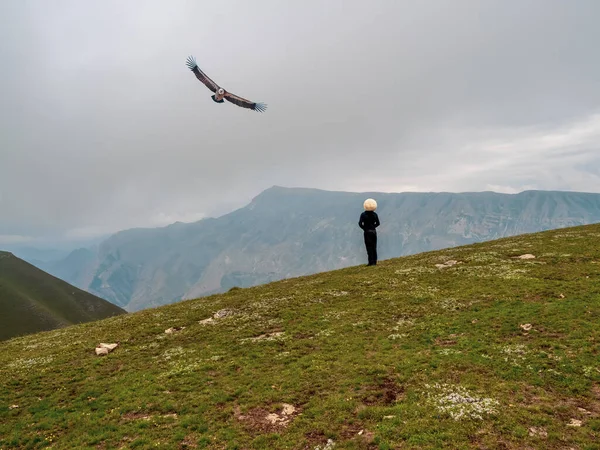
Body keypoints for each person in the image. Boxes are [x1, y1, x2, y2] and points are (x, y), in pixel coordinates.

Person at [358, 198, 380, 266]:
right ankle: (375, 262)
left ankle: (370, 262)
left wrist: (365, 228)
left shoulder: (363, 214)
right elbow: (378, 223)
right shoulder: (375, 214)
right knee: (374, 247)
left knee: (369, 247)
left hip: (367, 232)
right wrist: (373, 227)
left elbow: (360, 224)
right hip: (373, 231)